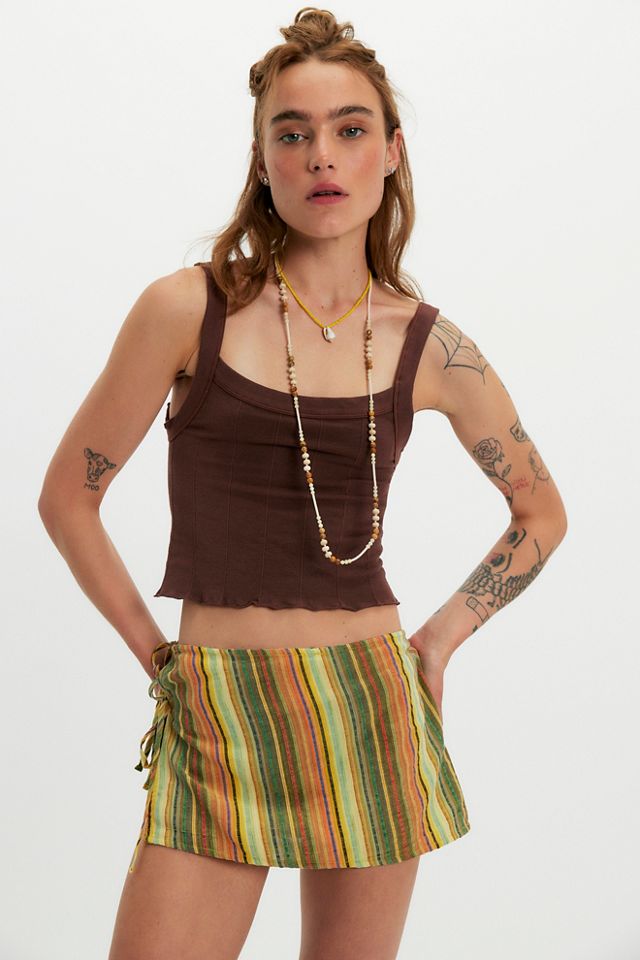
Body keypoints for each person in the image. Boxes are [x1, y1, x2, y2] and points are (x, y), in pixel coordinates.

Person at [38, 7, 568, 960]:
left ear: (391, 152)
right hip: (218, 710)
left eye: (350, 129)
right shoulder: (187, 309)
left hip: (372, 708)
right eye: (292, 134)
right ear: (262, 160)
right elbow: (67, 498)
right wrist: (160, 661)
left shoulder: (432, 346)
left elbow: (541, 512)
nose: (321, 155)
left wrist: (440, 638)